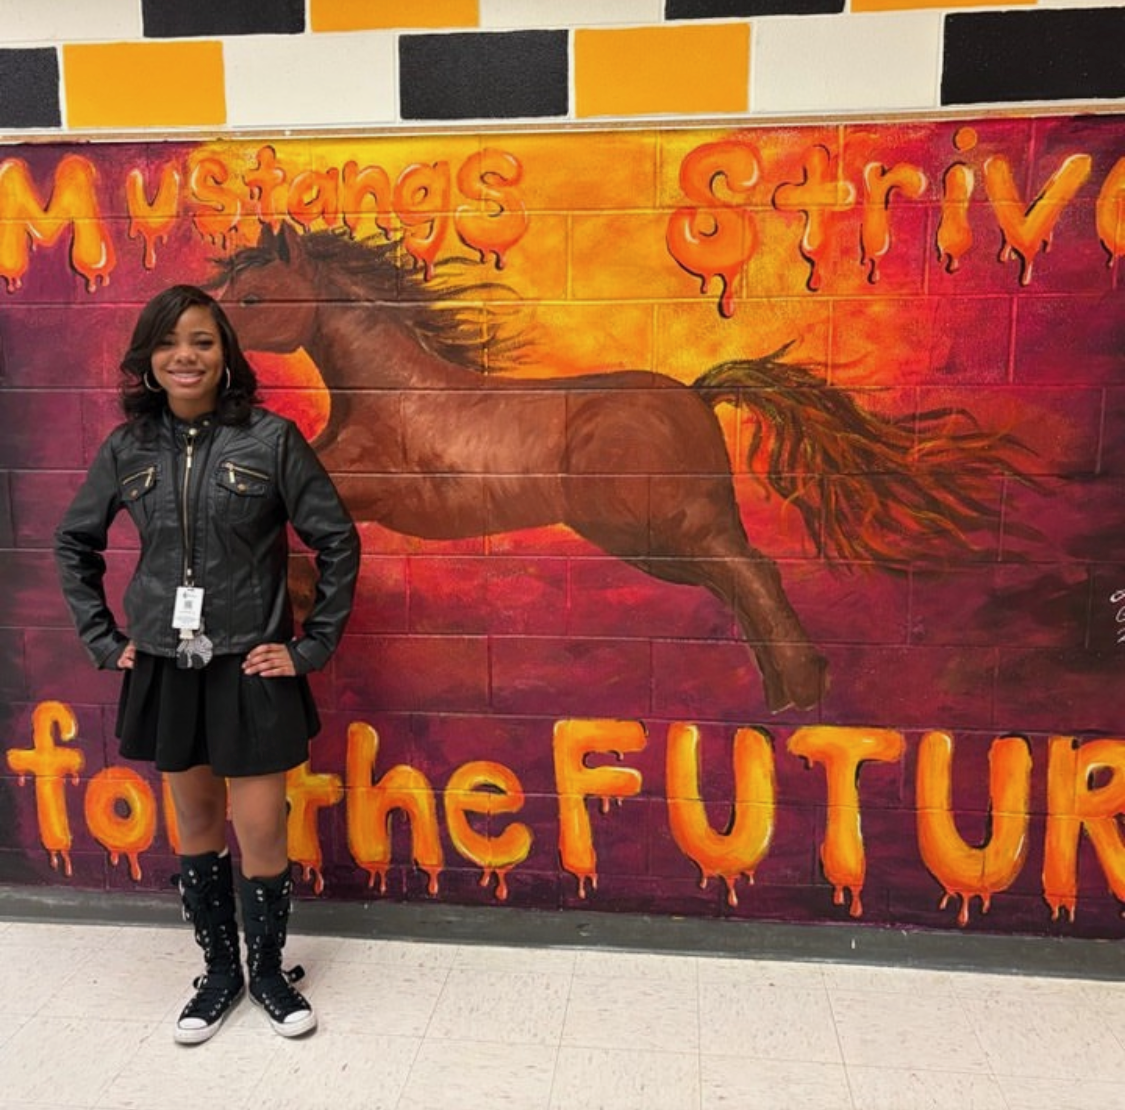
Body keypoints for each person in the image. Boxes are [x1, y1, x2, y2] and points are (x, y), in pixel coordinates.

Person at [55, 284, 360, 1045]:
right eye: (167, 343)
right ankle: (218, 972)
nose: (183, 356)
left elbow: (337, 542)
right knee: (195, 824)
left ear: (225, 355)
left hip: (250, 667)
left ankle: (268, 973)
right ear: (147, 360)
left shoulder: (270, 440)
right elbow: (74, 543)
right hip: (165, 663)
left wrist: (309, 646)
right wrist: (104, 638)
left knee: (260, 827)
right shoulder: (128, 448)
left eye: (201, 341)